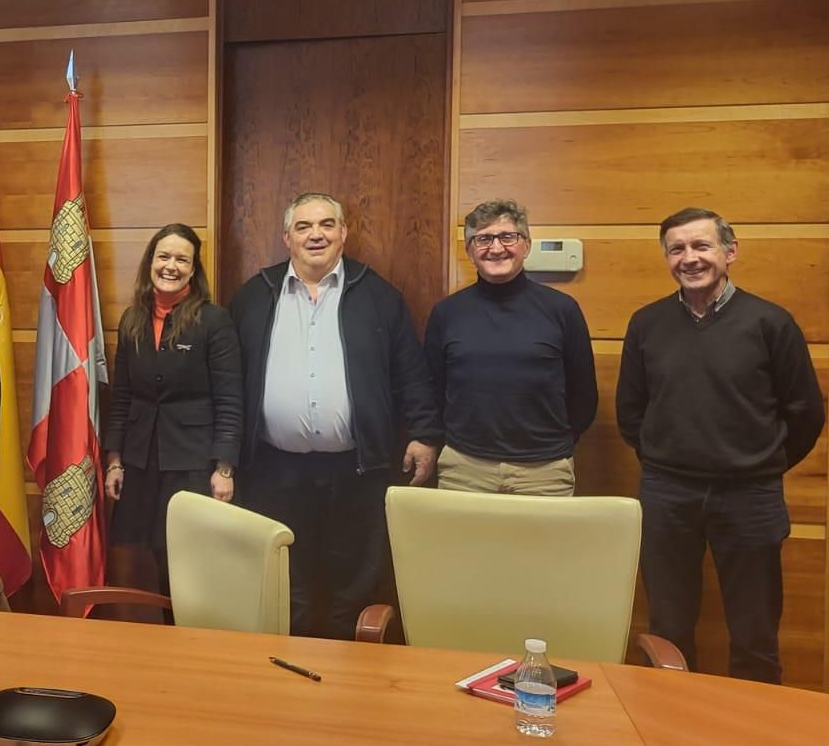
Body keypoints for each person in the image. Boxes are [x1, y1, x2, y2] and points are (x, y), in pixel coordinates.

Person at [618, 207, 823, 683]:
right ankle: (669, 725)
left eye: (701, 246)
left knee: (755, 635)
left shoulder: (770, 322)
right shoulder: (646, 323)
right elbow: (631, 410)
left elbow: (806, 413)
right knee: (668, 629)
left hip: (750, 495)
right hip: (668, 494)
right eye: (677, 249)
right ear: (667, 258)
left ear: (730, 252)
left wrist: (758, 461)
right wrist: (665, 459)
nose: (689, 258)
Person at [230, 192, 441, 640]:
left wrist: (423, 433)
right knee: (286, 575)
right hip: (272, 469)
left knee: (355, 578)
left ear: (344, 233)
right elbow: (230, 382)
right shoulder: (255, 294)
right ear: (286, 236)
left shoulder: (378, 295)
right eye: (304, 227)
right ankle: (289, 675)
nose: (316, 235)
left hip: (357, 469)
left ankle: (352, 677)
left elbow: (411, 372)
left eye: (327, 224)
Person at [103, 223, 242, 593]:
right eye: (164, 256)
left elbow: (230, 399)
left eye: (182, 259)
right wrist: (114, 461)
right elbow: (122, 396)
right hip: (141, 460)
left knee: (188, 558)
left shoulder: (214, 321)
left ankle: (192, 642)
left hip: (192, 463)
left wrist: (224, 468)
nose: (171, 266)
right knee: (150, 553)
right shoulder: (132, 319)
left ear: (193, 270)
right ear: (150, 261)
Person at [423, 199, 596, 495]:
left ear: (526, 245)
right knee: (464, 544)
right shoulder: (446, 313)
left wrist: (552, 445)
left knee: (542, 544)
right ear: (469, 251)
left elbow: (583, 394)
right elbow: (433, 389)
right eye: (483, 239)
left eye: (507, 236)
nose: (496, 248)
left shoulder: (562, 310)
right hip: (465, 469)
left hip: (544, 472)